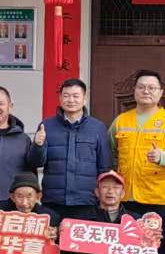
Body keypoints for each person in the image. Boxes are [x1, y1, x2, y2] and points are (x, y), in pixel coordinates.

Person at [110, 70, 165, 208]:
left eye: (152, 88)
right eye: (141, 87)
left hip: (157, 198)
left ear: (160, 92)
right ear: (134, 90)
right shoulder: (121, 120)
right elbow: (109, 152)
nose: (146, 91)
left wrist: (161, 157)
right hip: (124, 196)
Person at [35, 77, 113, 212]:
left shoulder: (97, 127)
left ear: (84, 98)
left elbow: (104, 167)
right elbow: (36, 162)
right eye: (66, 96)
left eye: (76, 96)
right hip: (53, 200)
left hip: (87, 201)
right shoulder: (46, 125)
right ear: (60, 98)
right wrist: (37, 145)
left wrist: (103, 198)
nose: (71, 100)